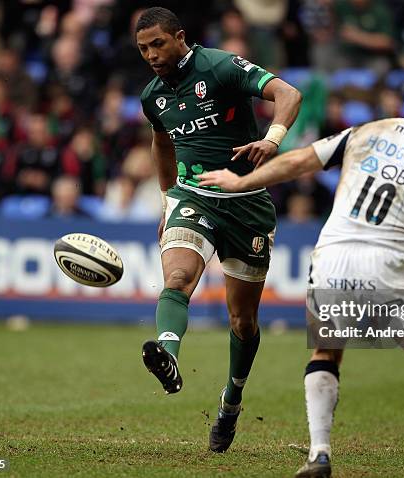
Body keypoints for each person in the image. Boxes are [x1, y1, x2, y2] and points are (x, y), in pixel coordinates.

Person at [198, 64, 404, 478]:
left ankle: (318, 454)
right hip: (388, 266)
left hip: (330, 258)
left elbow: (299, 160)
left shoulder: (366, 131)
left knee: (326, 353)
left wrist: (243, 182)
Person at [135, 7, 301, 453]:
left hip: (247, 203)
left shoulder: (220, 66)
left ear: (180, 37)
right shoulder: (153, 96)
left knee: (242, 321)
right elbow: (162, 142)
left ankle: (231, 399)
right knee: (177, 279)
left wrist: (272, 139)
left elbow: (288, 93)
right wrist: (168, 200)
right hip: (194, 196)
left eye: (158, 44)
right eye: (143, 48)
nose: (151, 54)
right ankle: (167, 355)